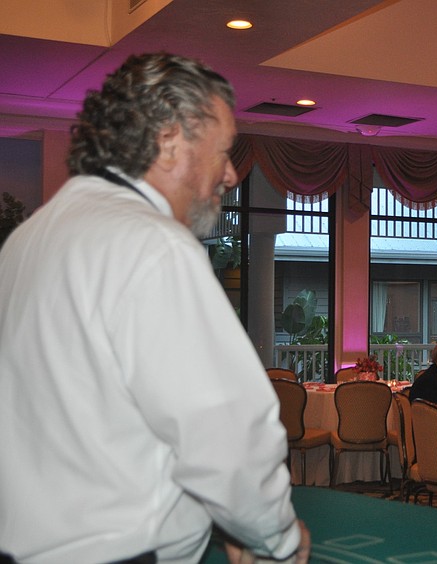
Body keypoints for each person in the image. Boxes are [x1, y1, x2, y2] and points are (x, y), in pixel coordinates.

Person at [0, 53, 309, 563]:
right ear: (169, 144)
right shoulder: (154, 245)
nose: (231, 173)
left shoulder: (29, 238)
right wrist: (275, 535)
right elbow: (226, 437)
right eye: (224, 151)